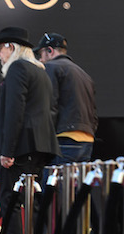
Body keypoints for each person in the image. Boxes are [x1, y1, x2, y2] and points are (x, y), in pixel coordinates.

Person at [0, 27, 60, 234]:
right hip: (37, 148)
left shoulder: (18, 69)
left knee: (11, 201)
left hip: (20, 149)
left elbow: (14, 111)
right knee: (32, 205)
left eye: (0, 48)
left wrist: (7, 150)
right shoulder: (40, 71)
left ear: (11, 47)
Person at [34, 32, 98, 163]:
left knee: (53, 182)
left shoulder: (50, 68)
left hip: (64, 139)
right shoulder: (84, 74)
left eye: (40, 54)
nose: (40, 60)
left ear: (50, 51)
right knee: (77, 183)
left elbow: (49, 105)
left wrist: (41, 141)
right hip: (87, 140)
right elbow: (93, 111)